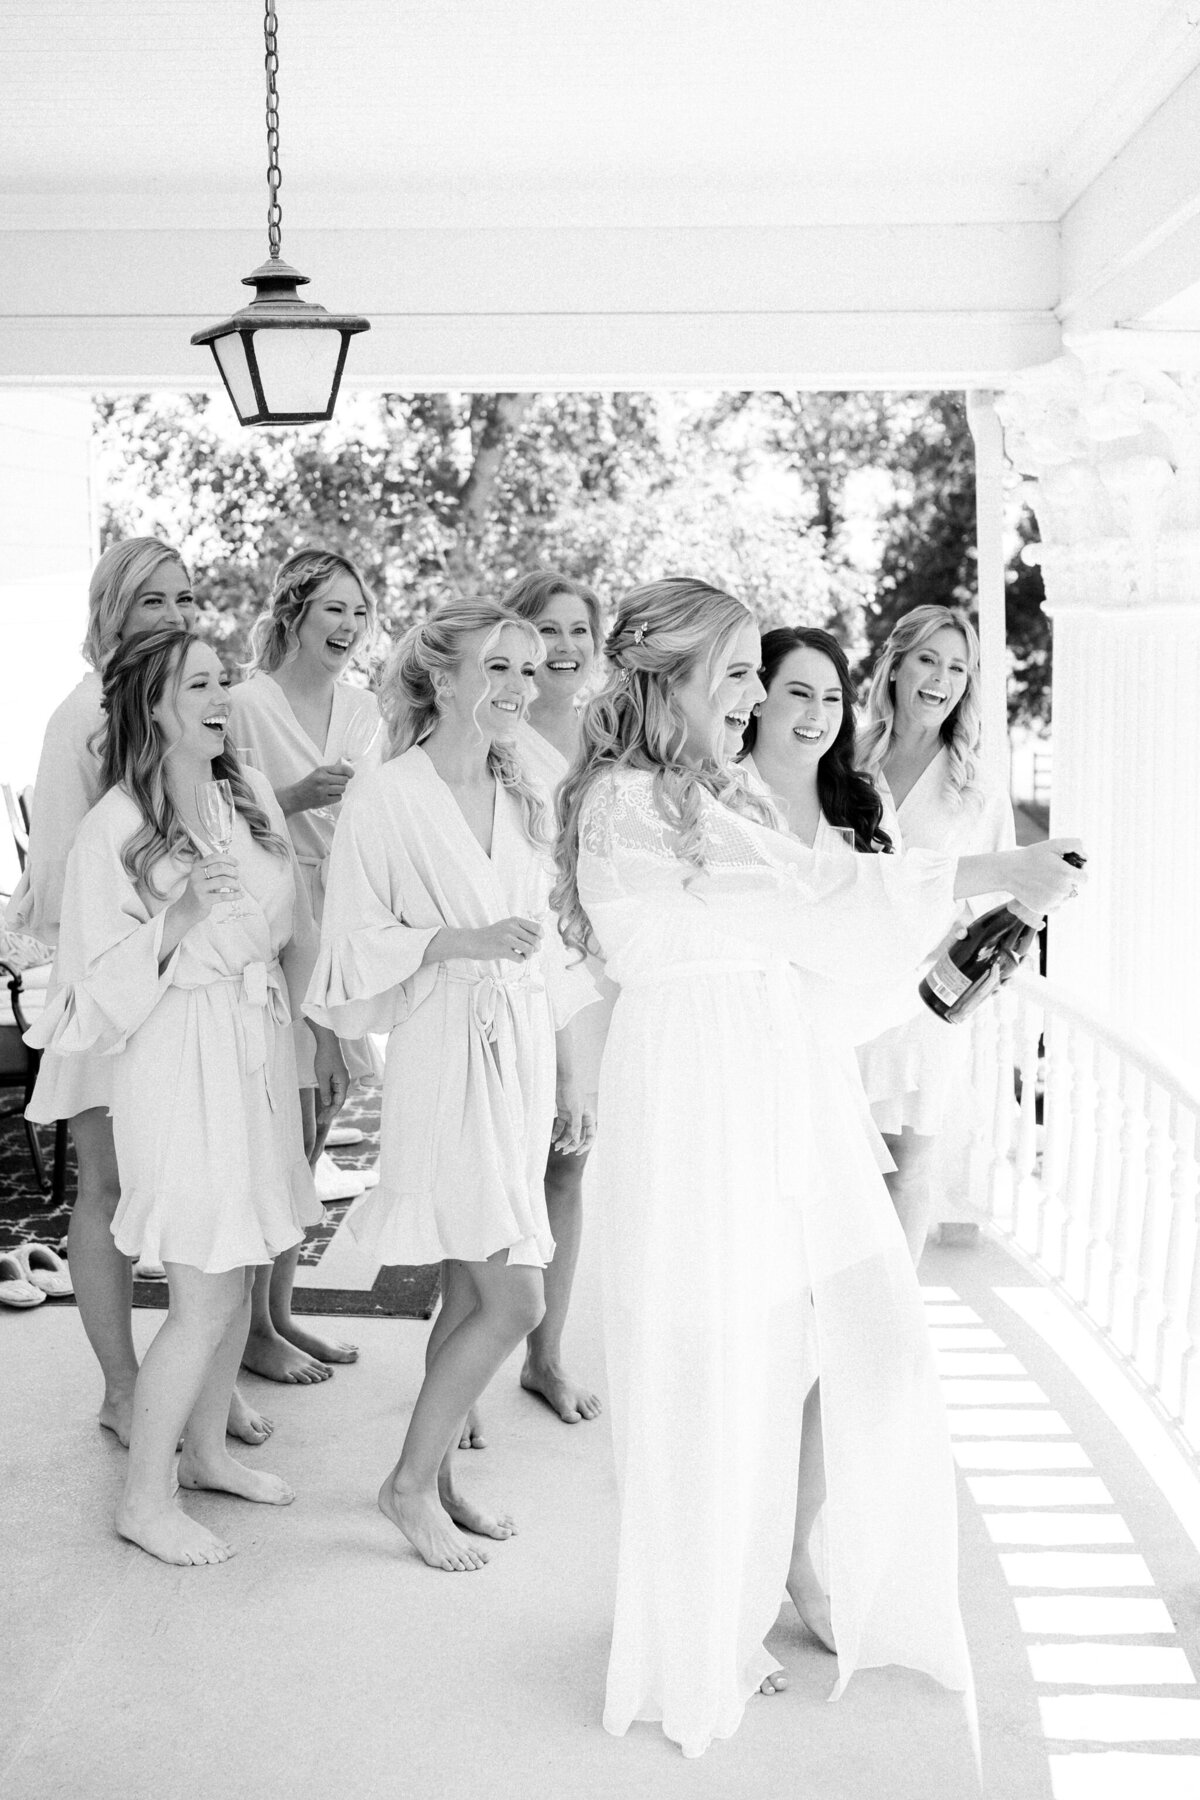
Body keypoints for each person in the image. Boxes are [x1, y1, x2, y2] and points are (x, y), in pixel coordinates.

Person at [552, 577, 1083, 1756]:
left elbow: (811, 966)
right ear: (667, 677)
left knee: (805, 1348)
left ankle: (743, 1600)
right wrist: (990, 874)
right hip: (694, 1103)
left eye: (757, 676)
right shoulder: (628, 801)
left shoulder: (712, 793)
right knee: (706, 1359)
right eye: (734, 674)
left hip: (773, 1085)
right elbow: (800, 889)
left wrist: (941, 985)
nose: (749, 700)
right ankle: (693, 1633)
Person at [27, 627, 347, 1566]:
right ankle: (144, 1497)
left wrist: (318, 1027)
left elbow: (292, 919)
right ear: (153, 707)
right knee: (205, 1290)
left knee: (244, 1263)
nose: (220, 695)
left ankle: (204, 1452)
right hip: (176, 1057)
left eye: (223, 680)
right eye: (199, 684)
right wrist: (182, 917)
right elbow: (88, 996)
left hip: (253, 1039)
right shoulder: (115, 827)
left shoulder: (242, 795)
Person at [305, 599, 596, 1574]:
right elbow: (348, 938)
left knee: (474, 1293)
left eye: (531, 667)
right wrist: (454, 940)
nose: (521, 685)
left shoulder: (530, 786)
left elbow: (564, 934)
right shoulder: (386, 793)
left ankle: (435, 1480)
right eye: (500, 667)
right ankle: (402, 1484)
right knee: (511, 1299)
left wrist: (574, 1071)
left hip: (520, 1048)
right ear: (441, 677)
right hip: (443, 1041)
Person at [7, 539, 268, 1448]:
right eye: (150, 598)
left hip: (190, 984)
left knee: (200, 1187)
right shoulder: (82, 714)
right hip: (109, 978)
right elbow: (62, 880)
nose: (171, 612)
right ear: (111, 607)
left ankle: (196, 1378)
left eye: (184, 597)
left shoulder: (200, 698)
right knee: (110, 1188)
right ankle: (123, 1383)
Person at [228, 548, 384, 1382]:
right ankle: (250, 1325)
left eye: (359, 613)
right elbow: (214, 810)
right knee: (277, 1125)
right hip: (275, 917)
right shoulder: (244, 704)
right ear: (293, 611)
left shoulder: (364, 709)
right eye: (334, 610)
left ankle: (280, 1313)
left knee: (321, 1117)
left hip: (345, 920)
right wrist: (290, 801)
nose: (350, 628)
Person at [856, 605, 1017, 1260]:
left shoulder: (977, 789)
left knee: (908, 1167)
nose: (941, 679)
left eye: (957, 667)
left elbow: (1005, 902)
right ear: (895, 665)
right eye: (927, 659)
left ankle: (893, 1333)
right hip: (845, 992)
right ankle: (829, 1329)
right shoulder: (841, 765)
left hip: (929, 1001)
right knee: (846, 1167)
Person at [501, 569, 605, 1427]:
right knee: (497, 1170)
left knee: (569, 1164)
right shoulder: (495, 741)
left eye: (578, 630)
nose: (564, 648)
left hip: (599, 972)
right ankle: (460, 1360)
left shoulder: (610, 738)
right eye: (547, 631)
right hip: (519, 972)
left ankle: (546, 1354)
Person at [738, 625, 895, 853]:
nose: (817, 713)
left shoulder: (865, 809)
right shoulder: (720, 798)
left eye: (831, 698)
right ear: (757, 699)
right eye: (800, 694)